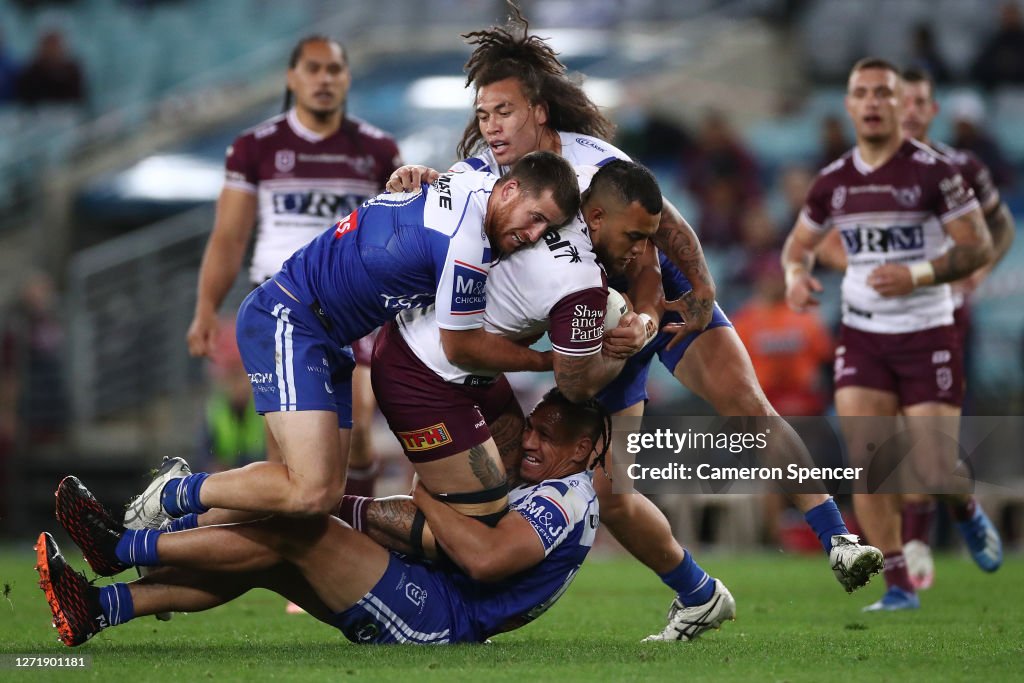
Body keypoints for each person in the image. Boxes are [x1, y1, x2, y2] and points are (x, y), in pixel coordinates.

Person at [386, 3, 882, 639]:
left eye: (504, 111)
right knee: (613, 489)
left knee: (746, 404)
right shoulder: (486, 169)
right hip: (596, 325)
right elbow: (454, 212)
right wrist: (420, 177)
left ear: (539, 110)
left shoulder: (595, 161)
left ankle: (837, 538)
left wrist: (695, 290)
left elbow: (661, 230)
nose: (492, 127)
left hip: (654, 297)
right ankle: (699, 595)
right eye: (484, 115)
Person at [124, 151, 580, 540]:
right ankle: (174, 492)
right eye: (535, 217)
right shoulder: (466, 246)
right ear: (510, 189)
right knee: (310, 491)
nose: (536, 234)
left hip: (327, 338)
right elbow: (462, 349)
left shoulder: (473, 179)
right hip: (290, 317)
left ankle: (161, 542)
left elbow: (457, 172)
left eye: (548, 227)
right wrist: (544, 359)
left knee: (312, 497)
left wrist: (415, 172)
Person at [40, 388, 607, 647]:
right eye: (531, 425)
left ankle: (121, 548)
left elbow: (485, 559)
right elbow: (448, 541)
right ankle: (95, 608)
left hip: (440, 617)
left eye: (547, 436)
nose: (529, 440)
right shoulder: (548, 486)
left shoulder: (567, 498)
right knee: (269, 552)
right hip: (435, 596)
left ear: (582, 451)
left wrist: (429, 494)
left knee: (296, 528)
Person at [782, 57, 1003, 612]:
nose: (875, 101)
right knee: (870, 460)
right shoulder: (833, 181)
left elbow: (977, 246)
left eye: (885, 92)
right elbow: (797, 246)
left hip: (928, 330)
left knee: (932, 467)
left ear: (900, 103)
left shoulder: (935, 172)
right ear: (850, 104)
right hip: (862, 334)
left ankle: (964, 508)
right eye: (863, 92)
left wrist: (918, 274)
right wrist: (794, 279)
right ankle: (900, 586)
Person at [185, 35, 401, 503]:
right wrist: (206, 308)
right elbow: (229, 237)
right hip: (280, 305)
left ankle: (353, 528)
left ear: (347, 78)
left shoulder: (379, 151)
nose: (324, 79)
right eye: (313, 68)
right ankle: (287, 549)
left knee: (359, 423)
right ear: (292, 77)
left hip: (353, 309)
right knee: (282, 448)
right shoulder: (254, 148)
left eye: (334, 70)